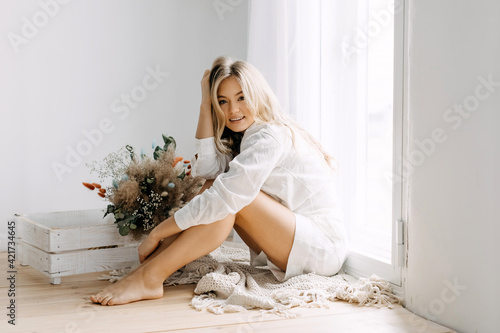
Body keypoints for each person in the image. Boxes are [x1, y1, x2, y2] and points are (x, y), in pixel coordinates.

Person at [91, 56, 348, 306]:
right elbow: (207, 170)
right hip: (294, 238)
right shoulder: (249, 135)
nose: (232, 110)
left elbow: (224, 195)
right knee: (216, 187)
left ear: (257, 95)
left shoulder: (269, 137)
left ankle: (151, 276)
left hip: (319, 247)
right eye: (222, 102)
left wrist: (158, 232)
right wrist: (205, 103)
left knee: (225, 197)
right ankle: (148, 271)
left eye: (241, 98)